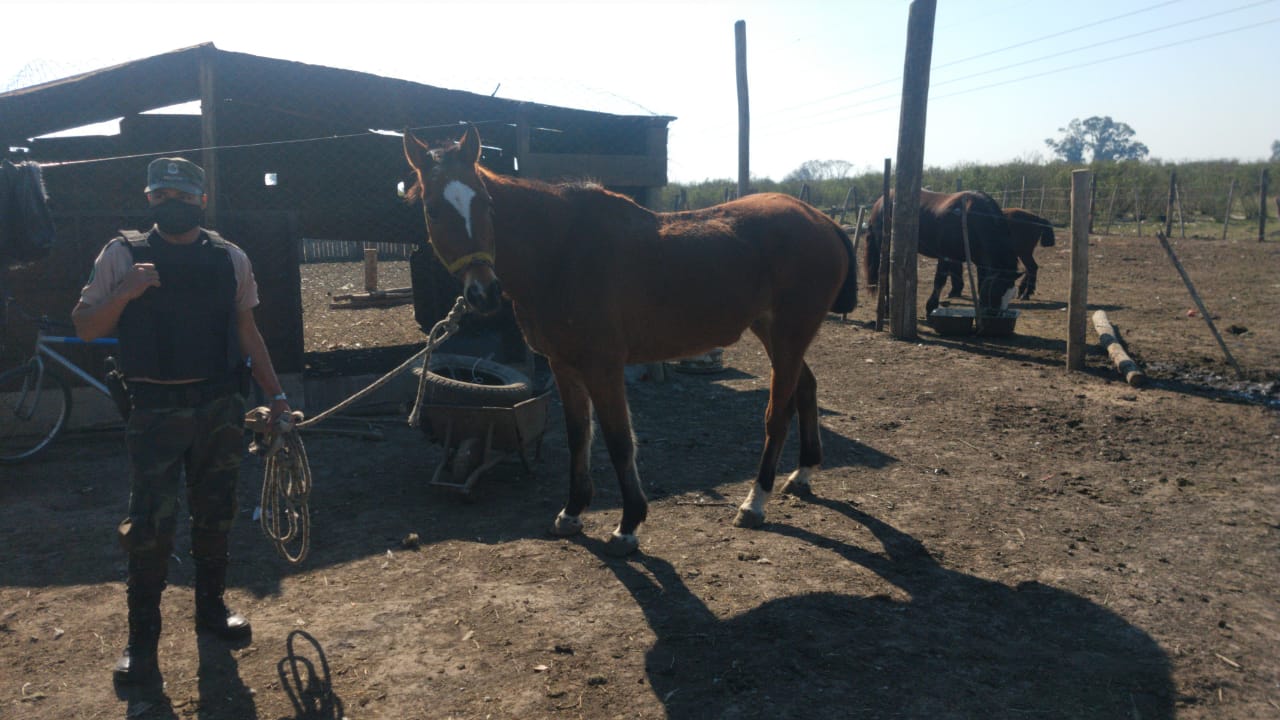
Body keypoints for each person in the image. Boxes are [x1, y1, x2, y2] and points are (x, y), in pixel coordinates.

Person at [72, 157, 292, 686]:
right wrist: (125, 293)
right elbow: (84, 326)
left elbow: (248, 331)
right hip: (154, 412)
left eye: (184, 195)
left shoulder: (229, 257)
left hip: (219, 407)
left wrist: (277, 395)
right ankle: (142, 643)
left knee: (215, 513)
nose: (173, 202)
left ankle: (210, 612)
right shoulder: (122, 254)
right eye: (162, 194)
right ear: (149, 199)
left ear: (201, 201)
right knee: (150, 527)